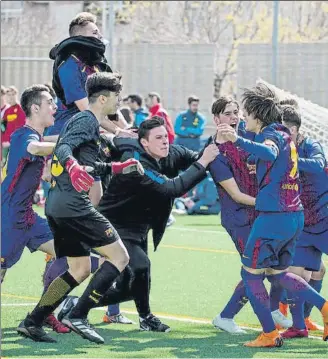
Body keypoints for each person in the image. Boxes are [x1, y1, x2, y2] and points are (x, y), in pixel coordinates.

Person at [57, 116, 220, 333]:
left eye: (166, 137)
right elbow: (172, 188)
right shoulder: (138, 164)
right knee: (142, 265)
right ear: (144, 142)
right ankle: (78, 315)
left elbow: (200, 159)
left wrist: (217, 140)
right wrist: (203, 161)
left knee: (129, 289)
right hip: (114, 225)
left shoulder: (172, 153)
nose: (165, 142)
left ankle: (75, 305)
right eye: (159, 138)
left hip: (139, 228)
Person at [17, 72, 144, 344]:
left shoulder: (89, 123)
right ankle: (79, 315)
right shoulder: (86, 119)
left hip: (60, 206)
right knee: (120, 257)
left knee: (79, 268)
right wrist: (72, 166)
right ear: (102, 98)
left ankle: (34, 320)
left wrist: (117, 167)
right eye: (116, 96)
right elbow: (63, 147)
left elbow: (86, 162)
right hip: (74, 206)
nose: (119, 101)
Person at [219, 84, 328, 346]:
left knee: (251, 274)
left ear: (257, 114)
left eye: (245, 113)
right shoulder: (282, 132)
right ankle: (324, 309)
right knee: (278, 274)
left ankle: (269, 333)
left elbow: (268, 150)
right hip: (294, 215)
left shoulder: (272, 135)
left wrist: (237, 139)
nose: (243, 118)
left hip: (274, 216)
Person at [269, 104, 328, 339]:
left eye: (280, 131)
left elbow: (318, 164)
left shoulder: (311, 146)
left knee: (317, 271)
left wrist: (292, 161)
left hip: (325, 219)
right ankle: (299, 324)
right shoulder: (280, 149)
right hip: (303, 222)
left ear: (292, 130)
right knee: (296, 274)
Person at [1, 86, 26, 166]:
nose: (11, 97)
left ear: (16, 95)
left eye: (12, 95)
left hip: (16, 142)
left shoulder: (21, 109)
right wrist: (4, 140)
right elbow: (3, 127)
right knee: (3, 164)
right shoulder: (7, 111)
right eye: (9, 95)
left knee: (16, 165)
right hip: (6, 143)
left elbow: (23, 126)